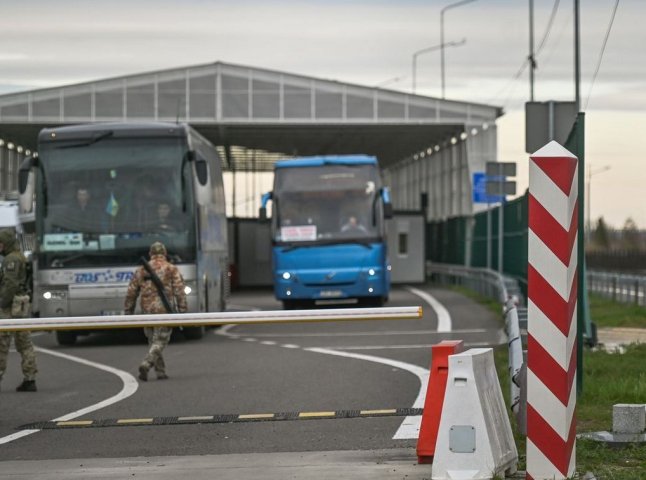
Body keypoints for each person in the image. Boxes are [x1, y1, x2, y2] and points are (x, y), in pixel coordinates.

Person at [124, 241, 187, 381]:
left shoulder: (141, 270)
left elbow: (131, 293)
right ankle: (146, 363)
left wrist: (128, 312)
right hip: (164, 311)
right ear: (164, 253)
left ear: (150, 254)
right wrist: (183, 312)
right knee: (161, 340)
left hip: (147, 312)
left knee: (153, 341)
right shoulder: (171, 269)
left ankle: (160, 371)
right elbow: (179, 291)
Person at [0, 228, 37, 392]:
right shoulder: (20, 256)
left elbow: (10, 285)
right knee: (25, 342)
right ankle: (30, 378)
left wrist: (1, 302)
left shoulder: (10, 259)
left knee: (2, 342)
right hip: (22, 304)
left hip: (11, 305)